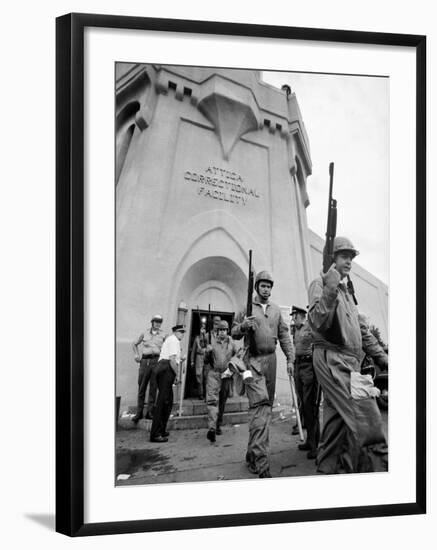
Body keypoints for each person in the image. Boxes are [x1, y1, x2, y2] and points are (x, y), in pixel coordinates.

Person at [308, 236, 389, 473]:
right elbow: (317, 321)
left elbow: (362, 332)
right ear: (331, 258)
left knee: (335, 433)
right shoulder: (320, 284)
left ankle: (329, 480)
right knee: (368, 421)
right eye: (344, 256)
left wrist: (384, 358)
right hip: (334, 359)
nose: (349, 262)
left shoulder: (346, 293)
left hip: (348, 363)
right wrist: (330, 287)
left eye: (351, 258)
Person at [232, 270, 295, 478]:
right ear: (257, 287)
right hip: (252, 363)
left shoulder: (276, 310)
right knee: (259, 409)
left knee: (265, 410)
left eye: (269, 286)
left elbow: (284, 335)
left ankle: (252, 454)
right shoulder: (247, 308)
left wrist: (290, 358)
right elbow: (234, 331)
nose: (266, 289)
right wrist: (243, 325)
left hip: (271, 362)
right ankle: (261, 462)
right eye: (263, 285)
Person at [290, 306, 319, 459]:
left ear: (301, 315)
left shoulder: (310, 326)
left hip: (308, 367)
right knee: (302, 403)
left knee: (310, 406)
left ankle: (315, 445)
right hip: (298, 366)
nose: (292, 318)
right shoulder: (296, 329)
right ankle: (309, 440)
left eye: (294, 315)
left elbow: (318, 345)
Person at [149, 325, 186, 443]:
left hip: (165, 368)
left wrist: (181, 361)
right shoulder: (174, 340)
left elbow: (175, 360)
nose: (182, 334)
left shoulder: (172, 340)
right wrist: (177, 375)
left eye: (183, 332)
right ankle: (155, 434)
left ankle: (162, 429)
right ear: (175, 332)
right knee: (162, 402)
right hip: (166, 368)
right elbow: (172, 360)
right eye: (180, 332)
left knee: (168, 401)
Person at [204, 320, 239, 442]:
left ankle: (218, 424)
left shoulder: (232, 344)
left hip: (226, 375)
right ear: (217, 331)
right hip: (214, 374)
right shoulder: (212, 343)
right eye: (220, 330)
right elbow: (206, 361)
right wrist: (207, 353)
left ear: (227, 331)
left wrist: (231, 370)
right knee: (212, 401)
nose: (222, 332)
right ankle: (212, 428)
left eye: (224, 330)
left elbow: (237, 358)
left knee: (222, 401)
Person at [131, 314, 166, 424]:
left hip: (156, 361)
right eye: (156, 321)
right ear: (152, 322)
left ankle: (150, 412)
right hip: (145, 362)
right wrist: (136, 355)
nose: (157, 323)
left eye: (159, 321)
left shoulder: (164, 335)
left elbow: (168, 347)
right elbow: (134, 344)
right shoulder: (144, 333)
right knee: (141, 387)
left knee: (153, 388)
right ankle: (139, 412)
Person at [190, 317, 208, 400]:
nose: (203, 329)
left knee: (206, 376)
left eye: (204, 328)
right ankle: (200, 393)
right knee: (199, 375)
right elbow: (193, 350)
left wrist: (204, 336)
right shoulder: (197, 338)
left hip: (206, 358)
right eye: (202, 328)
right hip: (199, 357)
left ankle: (206, 393)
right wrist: (192, 360)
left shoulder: (208, 337)